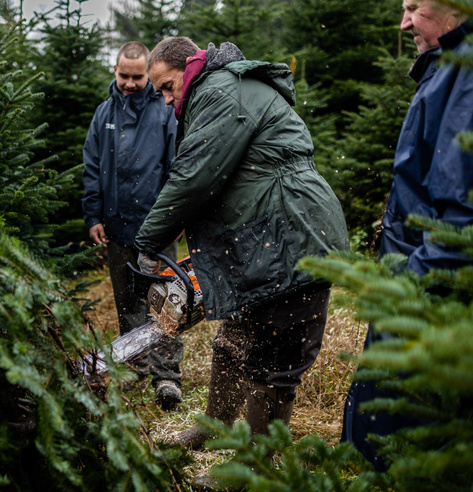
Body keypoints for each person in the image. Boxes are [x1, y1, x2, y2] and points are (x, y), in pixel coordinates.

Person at [134, 37, 349, 451]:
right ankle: (212, 430)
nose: (163, 99)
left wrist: (149, 241)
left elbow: (196, 176)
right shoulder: (213, 92)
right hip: (264, 239)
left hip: (294, 236)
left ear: (189, 67)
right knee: (234, 339)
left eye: (166, 86)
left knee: (277, 357)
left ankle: (252, 465)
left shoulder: (220, 92)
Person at [341, 1, 472, 471]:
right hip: (408, 285)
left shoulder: (466, 74)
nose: (403, 23)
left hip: (424, 298)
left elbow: (461, 219)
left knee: (400, 440)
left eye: (414, 8)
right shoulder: (445, 69)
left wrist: (406, 285)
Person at [81, 41, 184, 410]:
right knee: (127, 304)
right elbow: (92, 168)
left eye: (137, 77)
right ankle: (135, 368)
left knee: (164, 304)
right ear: (115, 71)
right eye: (123, 75)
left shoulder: (164, 113)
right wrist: (93, 216)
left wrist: (174, 219)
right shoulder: (103, 114)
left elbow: (177, 170)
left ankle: (167, 377)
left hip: (156, 229)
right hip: (116, 227)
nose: (129, 82)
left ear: (147, 75)